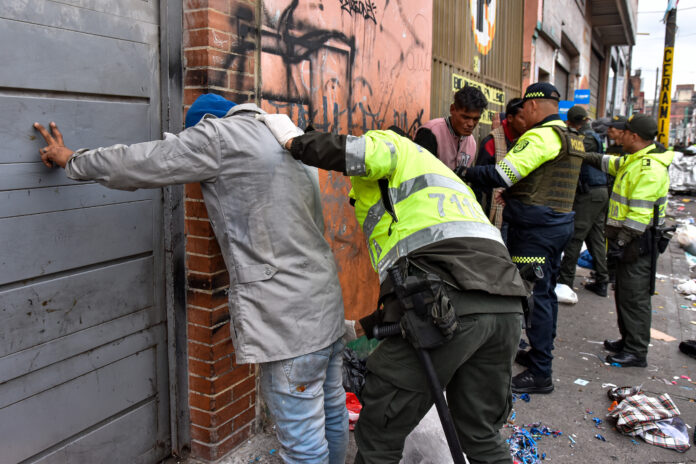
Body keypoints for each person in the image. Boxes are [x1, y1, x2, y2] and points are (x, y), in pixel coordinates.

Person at [33, 94, 349, 464]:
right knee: (332, 415)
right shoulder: (284, 132)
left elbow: (143, 161)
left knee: (303, 446)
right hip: (325, 304)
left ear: (200, 127)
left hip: (289, 321)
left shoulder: (219, 136)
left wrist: (73, 159)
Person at [255, 113, 529, 464]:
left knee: (381, 431)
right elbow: (419, 285)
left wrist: (295, 142)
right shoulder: (445, 182)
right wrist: (363, 325)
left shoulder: (396, 147)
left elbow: (354, 152)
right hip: (506, 305)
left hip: (450, 304)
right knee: (479, 431)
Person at [462, 82, 585, 394]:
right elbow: (544, 179)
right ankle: (538, 356)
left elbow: (501, 174)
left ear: (531, 106)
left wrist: (463, 173)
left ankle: (541, 372)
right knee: (546, 293)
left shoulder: (541, 136)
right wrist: (517, 195)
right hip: (557, 226)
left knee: (533, 297)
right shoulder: (571, 135)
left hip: (536, 233)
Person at [582, 114, 674, 367]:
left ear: (634, 136)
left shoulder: (650, 168)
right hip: (629, 242)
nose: (619, 135)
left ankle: (636, 350)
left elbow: (639, 216)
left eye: (624, 132)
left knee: (635, 297)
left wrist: (621, 244)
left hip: (637, 242)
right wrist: (581, 154)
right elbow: (609, 163)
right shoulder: (635, 160)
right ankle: (628, 339)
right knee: (623, 293)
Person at [557, 105, 610, 297]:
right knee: (595, 237)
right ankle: (603, 279)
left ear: (571, 123)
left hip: (590, 194)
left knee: (575, 237)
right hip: (599, 193)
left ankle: (565, 281)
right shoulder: (591, 135)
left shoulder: (585, 138)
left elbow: (571, 154)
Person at [473, 98, 527, 227]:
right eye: (522, 118)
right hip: (493, 213)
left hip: (517, 213)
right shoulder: (491, 142)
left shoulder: (528, 142)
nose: (526, 122)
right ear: (510, 118)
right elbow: (478, 183)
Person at [414, 85, 488, 171]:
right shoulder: (430, 132)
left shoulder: (472, 143)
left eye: (476, 119)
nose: (471, 124)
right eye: (465, 117)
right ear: (452, 109)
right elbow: (419, 173)